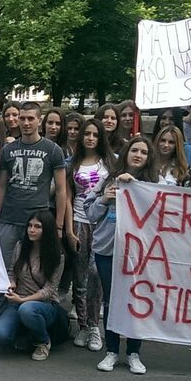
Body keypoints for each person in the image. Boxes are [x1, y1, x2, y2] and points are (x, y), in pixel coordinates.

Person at [0, 102, 68, 343]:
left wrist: (57, 226)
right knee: (0, 272)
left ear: (39, 120)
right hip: (9, 219)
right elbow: (2, 186)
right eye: (22, 118)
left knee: (37, 269)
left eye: (30, 118)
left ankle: (33, 322)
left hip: (37, 222)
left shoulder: (52, 150)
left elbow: (61, 191)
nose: (25, 123)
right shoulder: (8, 150)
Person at [88, 136, 157, 374]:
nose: (138, 155)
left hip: (138, 253)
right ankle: (112, 350)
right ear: (126, 152)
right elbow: (90, 213)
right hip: (107, 249)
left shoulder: (153, 185)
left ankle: (134, 352)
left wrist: (136, 187)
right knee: (111, 300)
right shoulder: (108, 180)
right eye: (134, 150)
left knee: (135, 300)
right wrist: (106, 198)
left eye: (144, 152)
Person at [65, 118, 114, 351]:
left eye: (95, 134)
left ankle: (95, 326)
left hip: (101, 224)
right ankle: (83, 326)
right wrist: (68, 228)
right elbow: (66, 196)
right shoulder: (73, 163)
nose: (91, 138)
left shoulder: (109, 162)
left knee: (96, 275)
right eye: (87, 134)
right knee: (80, 276)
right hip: (78, 222)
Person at [0, 210, 65, 360]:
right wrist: (12, 283)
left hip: (43, 305)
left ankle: (43, 341)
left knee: (27, 309)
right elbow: (13, 271)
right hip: (18, 301)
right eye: (30, 226)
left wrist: (23, 300)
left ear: (48, 229)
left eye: (38, 227)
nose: (32, 230)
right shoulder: (20, 246)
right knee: (0, 335)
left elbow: (49, 290)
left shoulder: (58, 255)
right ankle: (26, 334)